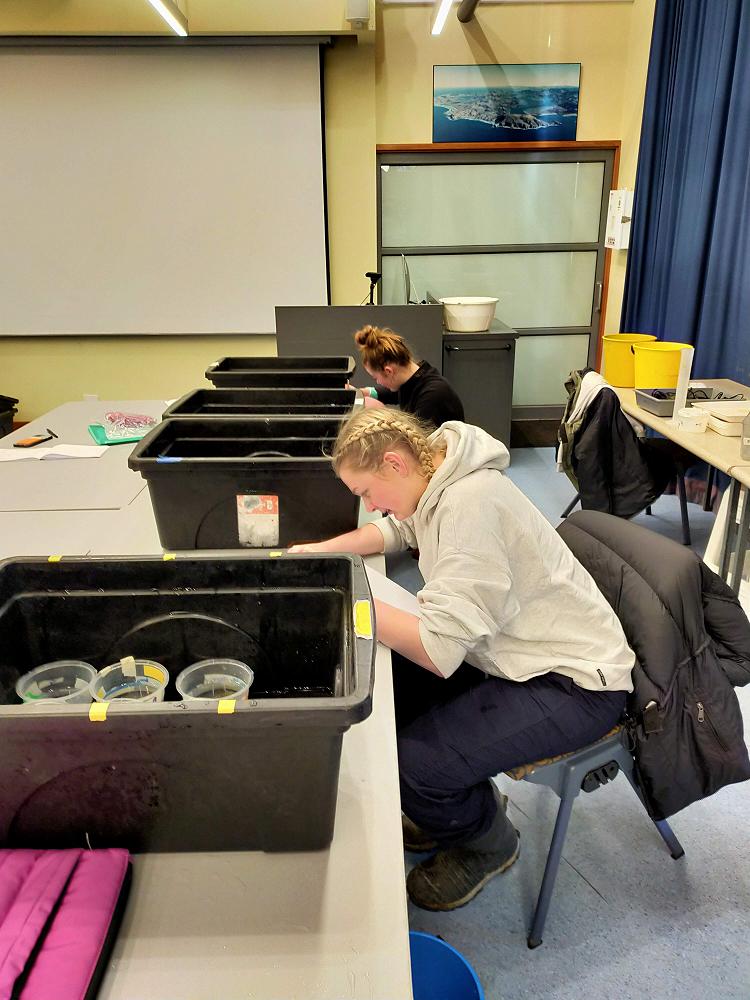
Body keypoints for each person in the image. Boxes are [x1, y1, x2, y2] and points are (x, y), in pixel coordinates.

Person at [290, 409, 635, 912]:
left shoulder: (469, 506)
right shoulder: (435, 472)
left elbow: (438, 650)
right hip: (517, 655)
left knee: (415, 765)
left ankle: (489, 844)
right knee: (394, 692)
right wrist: (325, 555)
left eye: (366, 492)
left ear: (394, 463)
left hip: (575, 683)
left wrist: (347, 599)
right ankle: (455, 805)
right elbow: (398, 532)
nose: (368, 506)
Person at [351, 324, 464, 427]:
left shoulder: (432, 396)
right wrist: (363, 392)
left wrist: (380, 413)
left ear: (389, 371)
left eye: (375, 378)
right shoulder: (415, 377)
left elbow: (413, 438)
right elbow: (391, 393)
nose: (378, 382)